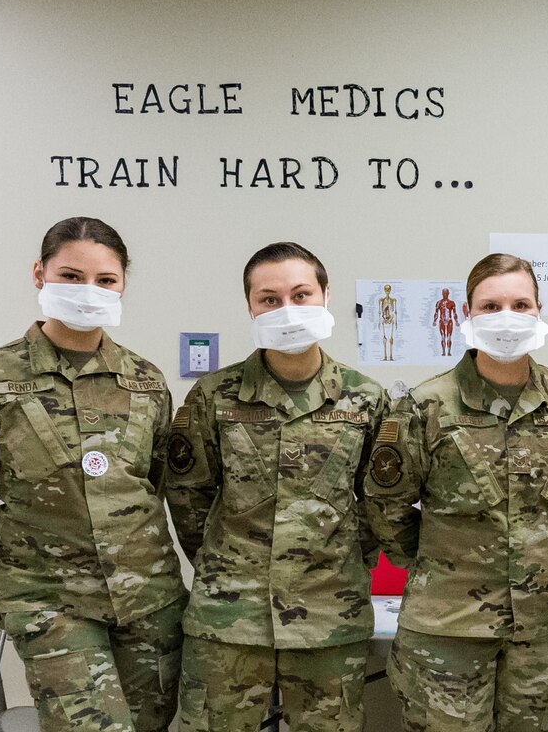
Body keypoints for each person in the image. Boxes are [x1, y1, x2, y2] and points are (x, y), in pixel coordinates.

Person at [0, 217, 185, 732]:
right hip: (50, 600)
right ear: (39, 273)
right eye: (71, 276)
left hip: (149, 599)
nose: (87, 291)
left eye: (105, 280)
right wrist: (4, 595)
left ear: (122, 286)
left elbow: (156, 484)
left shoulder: (145, 380)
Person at [366, 253, 548, 732]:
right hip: (447, 630)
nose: (506, 317)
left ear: (540, 311)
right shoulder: (424, 406)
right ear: (467, 313)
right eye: (490, 306)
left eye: (521, 304)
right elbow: (384, 504)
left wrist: (531, 548)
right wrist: (436, 563)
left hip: (546, 629)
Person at [163, 242, 389, 732]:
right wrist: (226, 564)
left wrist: (345, 559)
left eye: (301, 294)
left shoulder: (367, 399)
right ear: (250, 306)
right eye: (269, 298)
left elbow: (380, 503)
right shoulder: (213, 395)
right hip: (229, 619)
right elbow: (187, 497)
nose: (286, 309)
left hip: (330, 616)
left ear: (326, 296)